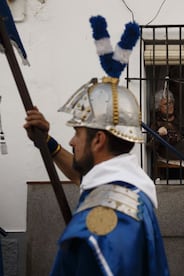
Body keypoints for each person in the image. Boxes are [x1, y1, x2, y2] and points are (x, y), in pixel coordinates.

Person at [24, 78, 170, 275]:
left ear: (99, 140)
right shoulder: (125, 188)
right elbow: (82, 177)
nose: (72, 141)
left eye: (77, 133)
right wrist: (46, 142)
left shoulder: (104, 216)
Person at [148, 88, 184, 178]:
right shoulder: (156, 121)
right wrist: (159, 134)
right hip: (168, 150)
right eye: (166, 104)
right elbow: (151, 145)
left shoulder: (179, 116)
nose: (170, 106)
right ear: (158, 106)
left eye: (171, 102)